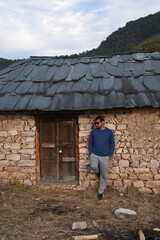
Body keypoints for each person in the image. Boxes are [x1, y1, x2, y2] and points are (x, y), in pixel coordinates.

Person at [88, 116, 115, 200]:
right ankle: (98, 171)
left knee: (104, 176)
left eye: (97, 123)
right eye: (95, 123)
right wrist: (91, 153)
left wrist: (109, 155)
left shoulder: (109, 132)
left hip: (105, 156)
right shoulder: (94, 132)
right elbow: (90, 143)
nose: (96, 124)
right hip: (95, 154)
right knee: (93, 166)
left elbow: (112, 144)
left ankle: (101, 192)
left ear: (103, 122)